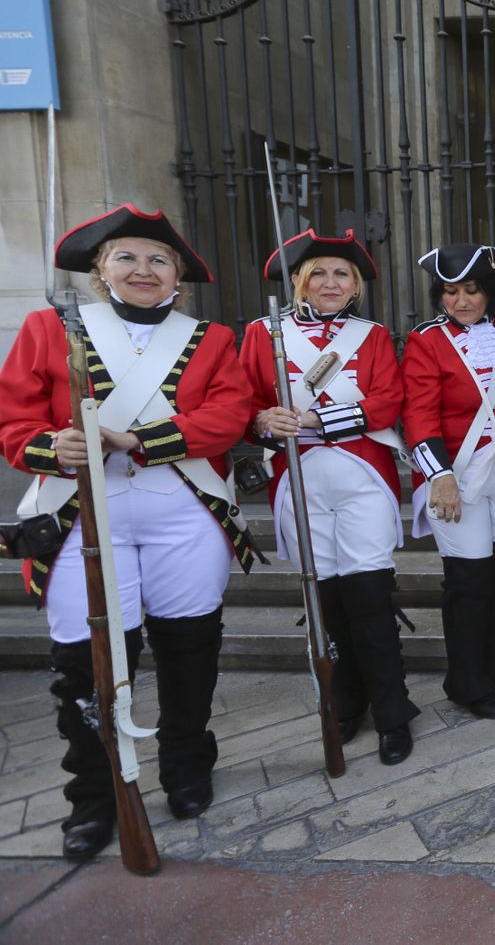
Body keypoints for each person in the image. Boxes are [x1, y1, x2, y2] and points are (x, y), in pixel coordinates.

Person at [0, 205, 255, 860]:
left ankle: (186, 766)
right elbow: (13, 421)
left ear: (177, 276)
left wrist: (138, 439)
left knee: (189, 650)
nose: (144, 269)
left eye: (158, 260)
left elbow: (229, 415)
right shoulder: (49, 328)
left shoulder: (211, 338)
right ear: (101, 270)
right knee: (85, 665)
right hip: (80, 516)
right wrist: (52, 446)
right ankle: (93, 795)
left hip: (183, 513)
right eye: (127, 258)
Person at [240, 226, 420, 766]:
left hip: (362, 474)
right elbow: (243, 401)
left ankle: (392, 711)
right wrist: (261, 420)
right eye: (317, 272)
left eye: (342, 273)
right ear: (297, 280)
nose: (330, 281)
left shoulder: (372, 335)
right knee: (324, 600)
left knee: (369, 594)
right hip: (297, 477)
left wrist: (318, 420)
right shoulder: (261, 333)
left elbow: (387, 402)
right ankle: (345, 702)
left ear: (357, 286)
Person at [401, 244, 495, 721]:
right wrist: (438, 477)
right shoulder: (426, 341)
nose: (461, 301)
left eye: (472, 291)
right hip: (457, 473)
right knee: (468, 579)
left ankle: (489, 660)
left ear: (489, 292)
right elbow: (418, 416)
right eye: (450, 292)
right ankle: (464, 679)